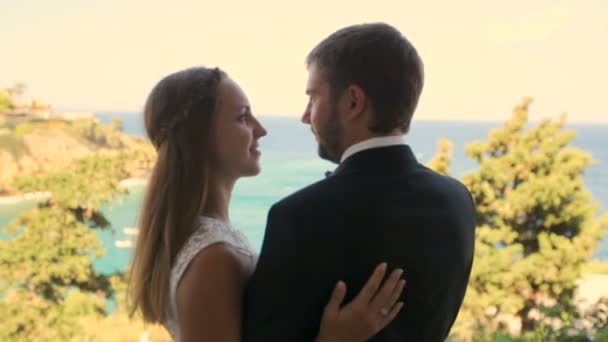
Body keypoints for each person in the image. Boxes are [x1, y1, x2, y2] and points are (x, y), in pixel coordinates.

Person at [128, 66, 406, 342]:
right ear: (199, 137)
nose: (260, 130)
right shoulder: (214, 258)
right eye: (242, 118)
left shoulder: (202, 241)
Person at [242, 22, 477, 341]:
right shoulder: (458, 201)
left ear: (353, 101)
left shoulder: (298, 218)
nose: (304, 115)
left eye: (313, 97)